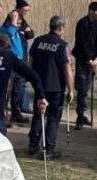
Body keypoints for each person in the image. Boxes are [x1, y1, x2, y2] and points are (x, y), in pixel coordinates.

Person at [27, 16, 74, 159]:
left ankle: (33, 145)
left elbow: (30, 61)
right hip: (55, 87)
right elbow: (67, 69)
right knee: (53, 118)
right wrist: (71, 89)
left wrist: (33, 79)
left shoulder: (38, 41)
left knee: (38, 114)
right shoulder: (62, 45)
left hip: (40, 86)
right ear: (60, 28)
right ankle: (49, 149)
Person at [71, 1, 97, 129]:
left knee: (87, 88)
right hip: (82, 60)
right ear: (91, 11)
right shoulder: (82, 23)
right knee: (81, 87)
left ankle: (82, 112)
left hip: (92, 61)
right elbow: (82, 43)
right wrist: (88, 59)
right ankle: (79, 117)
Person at [1, 10, 30, 126]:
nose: (18, 26)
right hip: (9, 64)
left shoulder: (15, 30)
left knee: (17, 90)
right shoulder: (6, 29)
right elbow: (10, 31)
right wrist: (13, 19)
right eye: (17, 23)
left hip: (18, 64)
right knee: (7, 90)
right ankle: (3, 115)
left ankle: (16, 112)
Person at [14, 0, 35, 114]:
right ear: (19, 9)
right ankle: (23, 105)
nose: (27, 12)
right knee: (20, 82)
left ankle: (22, 104)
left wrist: (25, 32)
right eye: (25, 10)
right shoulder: (12, 19)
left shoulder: (22, 20)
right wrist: (23, 32)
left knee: (22, 81)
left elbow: (31, 33)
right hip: (17, 56)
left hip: (23, 55)